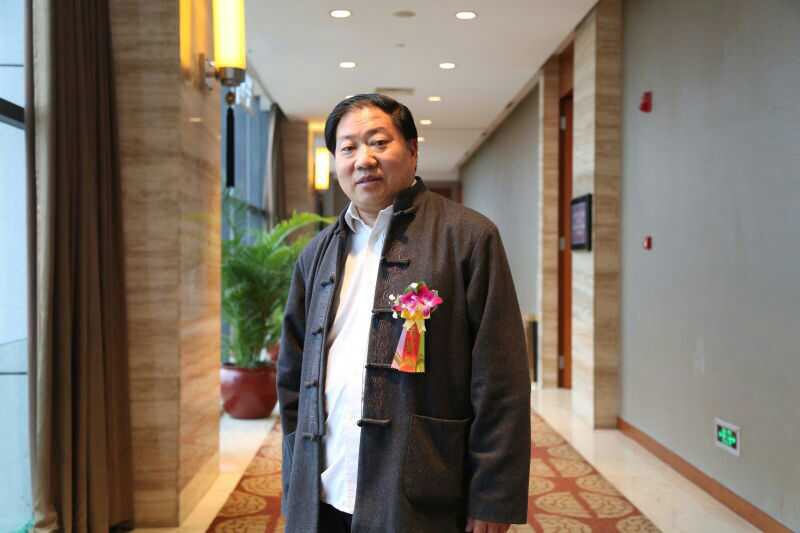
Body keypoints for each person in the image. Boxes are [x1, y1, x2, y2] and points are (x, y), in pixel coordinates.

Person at [278, 94, 530, 533]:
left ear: (413, 150)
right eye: (348, 148)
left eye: (379, 142)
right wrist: (295, 471)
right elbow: (293, 373)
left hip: (420, 485)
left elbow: (500, 378)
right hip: (324, 481)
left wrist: (493, 495)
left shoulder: (469, 239)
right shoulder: (316, 253)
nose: (364, 159)